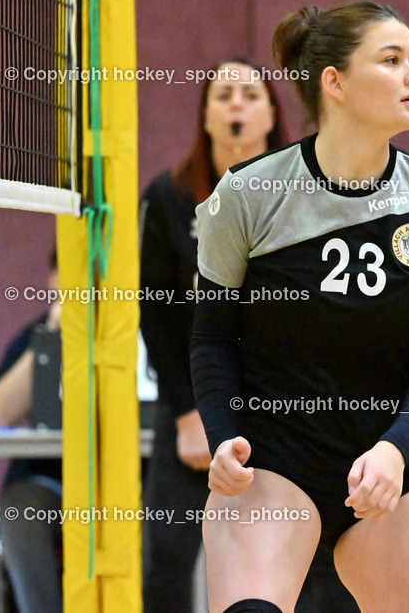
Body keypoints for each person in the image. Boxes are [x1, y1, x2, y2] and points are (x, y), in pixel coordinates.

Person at [191, 1, 409, 613]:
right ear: (335, 82)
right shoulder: (247, 195)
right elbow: (211, 339)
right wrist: (222, 437)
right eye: (392, 60)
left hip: (379, 465)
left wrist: (395, 450)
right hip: (272, 463)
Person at [140, 59, 357, 612]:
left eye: (250, 94)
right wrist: (189, 413)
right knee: (168, 550)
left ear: (272, 114)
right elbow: (155, 311)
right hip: (197, 396)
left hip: (284, 398)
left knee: (311, 548)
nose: (236, 104)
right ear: (205, 117)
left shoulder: (307, 191)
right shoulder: (168, 196)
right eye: (222, 95)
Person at [0, 252, 63, 613]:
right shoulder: (38, 334)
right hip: (47, 480)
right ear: (52, 279)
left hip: (130, 479)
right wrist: (52, 333)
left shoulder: (143, 335)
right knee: (18, 513)